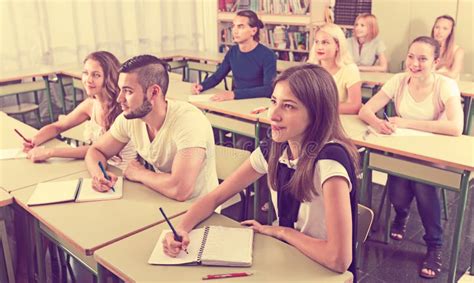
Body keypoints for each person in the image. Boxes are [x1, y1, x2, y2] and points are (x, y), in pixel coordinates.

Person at [163, 64, 359, 278]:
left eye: (289, 106)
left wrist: (281, 232)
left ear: (316, 114)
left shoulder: (330, 160)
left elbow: (338, 259)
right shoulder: (275, 147)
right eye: (274, 102)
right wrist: (182, 228)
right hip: (287, 256)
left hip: (321, 272)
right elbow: (216, 197)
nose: (273, 115)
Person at [359, 36, 463, 279]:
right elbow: (366, 109)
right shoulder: (398, 80)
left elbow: (456, 127)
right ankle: (402, 214)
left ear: (436, 62)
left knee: (424, 189)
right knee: (397, 193)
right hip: (402, 150)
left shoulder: (445, 85)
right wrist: (379, 123)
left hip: (431, 154)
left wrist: (406, 122)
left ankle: (434, 246)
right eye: (411, 57)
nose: (415, 63)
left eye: (423, 59)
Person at [85, 55, 218, 201]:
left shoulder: (189, 121)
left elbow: (180, 190)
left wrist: (139, 173)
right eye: (120, 90)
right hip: (162, 198)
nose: (119, 99)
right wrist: (99, 175)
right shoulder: (130, 118)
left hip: (198, 209)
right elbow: (96, 151)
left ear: (154, 92)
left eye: (128, 91)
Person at [23, 51, 135, 170]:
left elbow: (98, 149)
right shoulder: (90, 104)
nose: (88, 80)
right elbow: (58, 127)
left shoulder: (121, 108)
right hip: (97, 166)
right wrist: (35, 139)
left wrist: (50, 152)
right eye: (86, 73)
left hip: (122, 171)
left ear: (109, 78)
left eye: (96, 75)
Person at [192, 10, 277, 101]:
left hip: (257, 103)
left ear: (253, 31)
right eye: (233, 26)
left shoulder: (268, 55)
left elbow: (268, 89)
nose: (235, 31)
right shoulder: (232, 52)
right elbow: (217, 76)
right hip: (237, 101)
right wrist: (202, 86)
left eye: (240, 27)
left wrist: (234, 94)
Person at [308, 24, 362, 114]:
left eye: (325, 42)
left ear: (338, 46)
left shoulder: (350, 69)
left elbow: (355, 106)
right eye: (317, 42)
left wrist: (321, 109)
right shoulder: (311, 66)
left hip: (339, 118)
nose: (319, 47)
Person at [431, 15, 464, 80]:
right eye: (437, 27)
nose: (439, 32)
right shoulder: (427, 48)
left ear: (450, 32)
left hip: (447, 87)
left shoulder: (458, 51)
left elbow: (453, 75)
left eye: (445, 28)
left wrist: (431, 73)